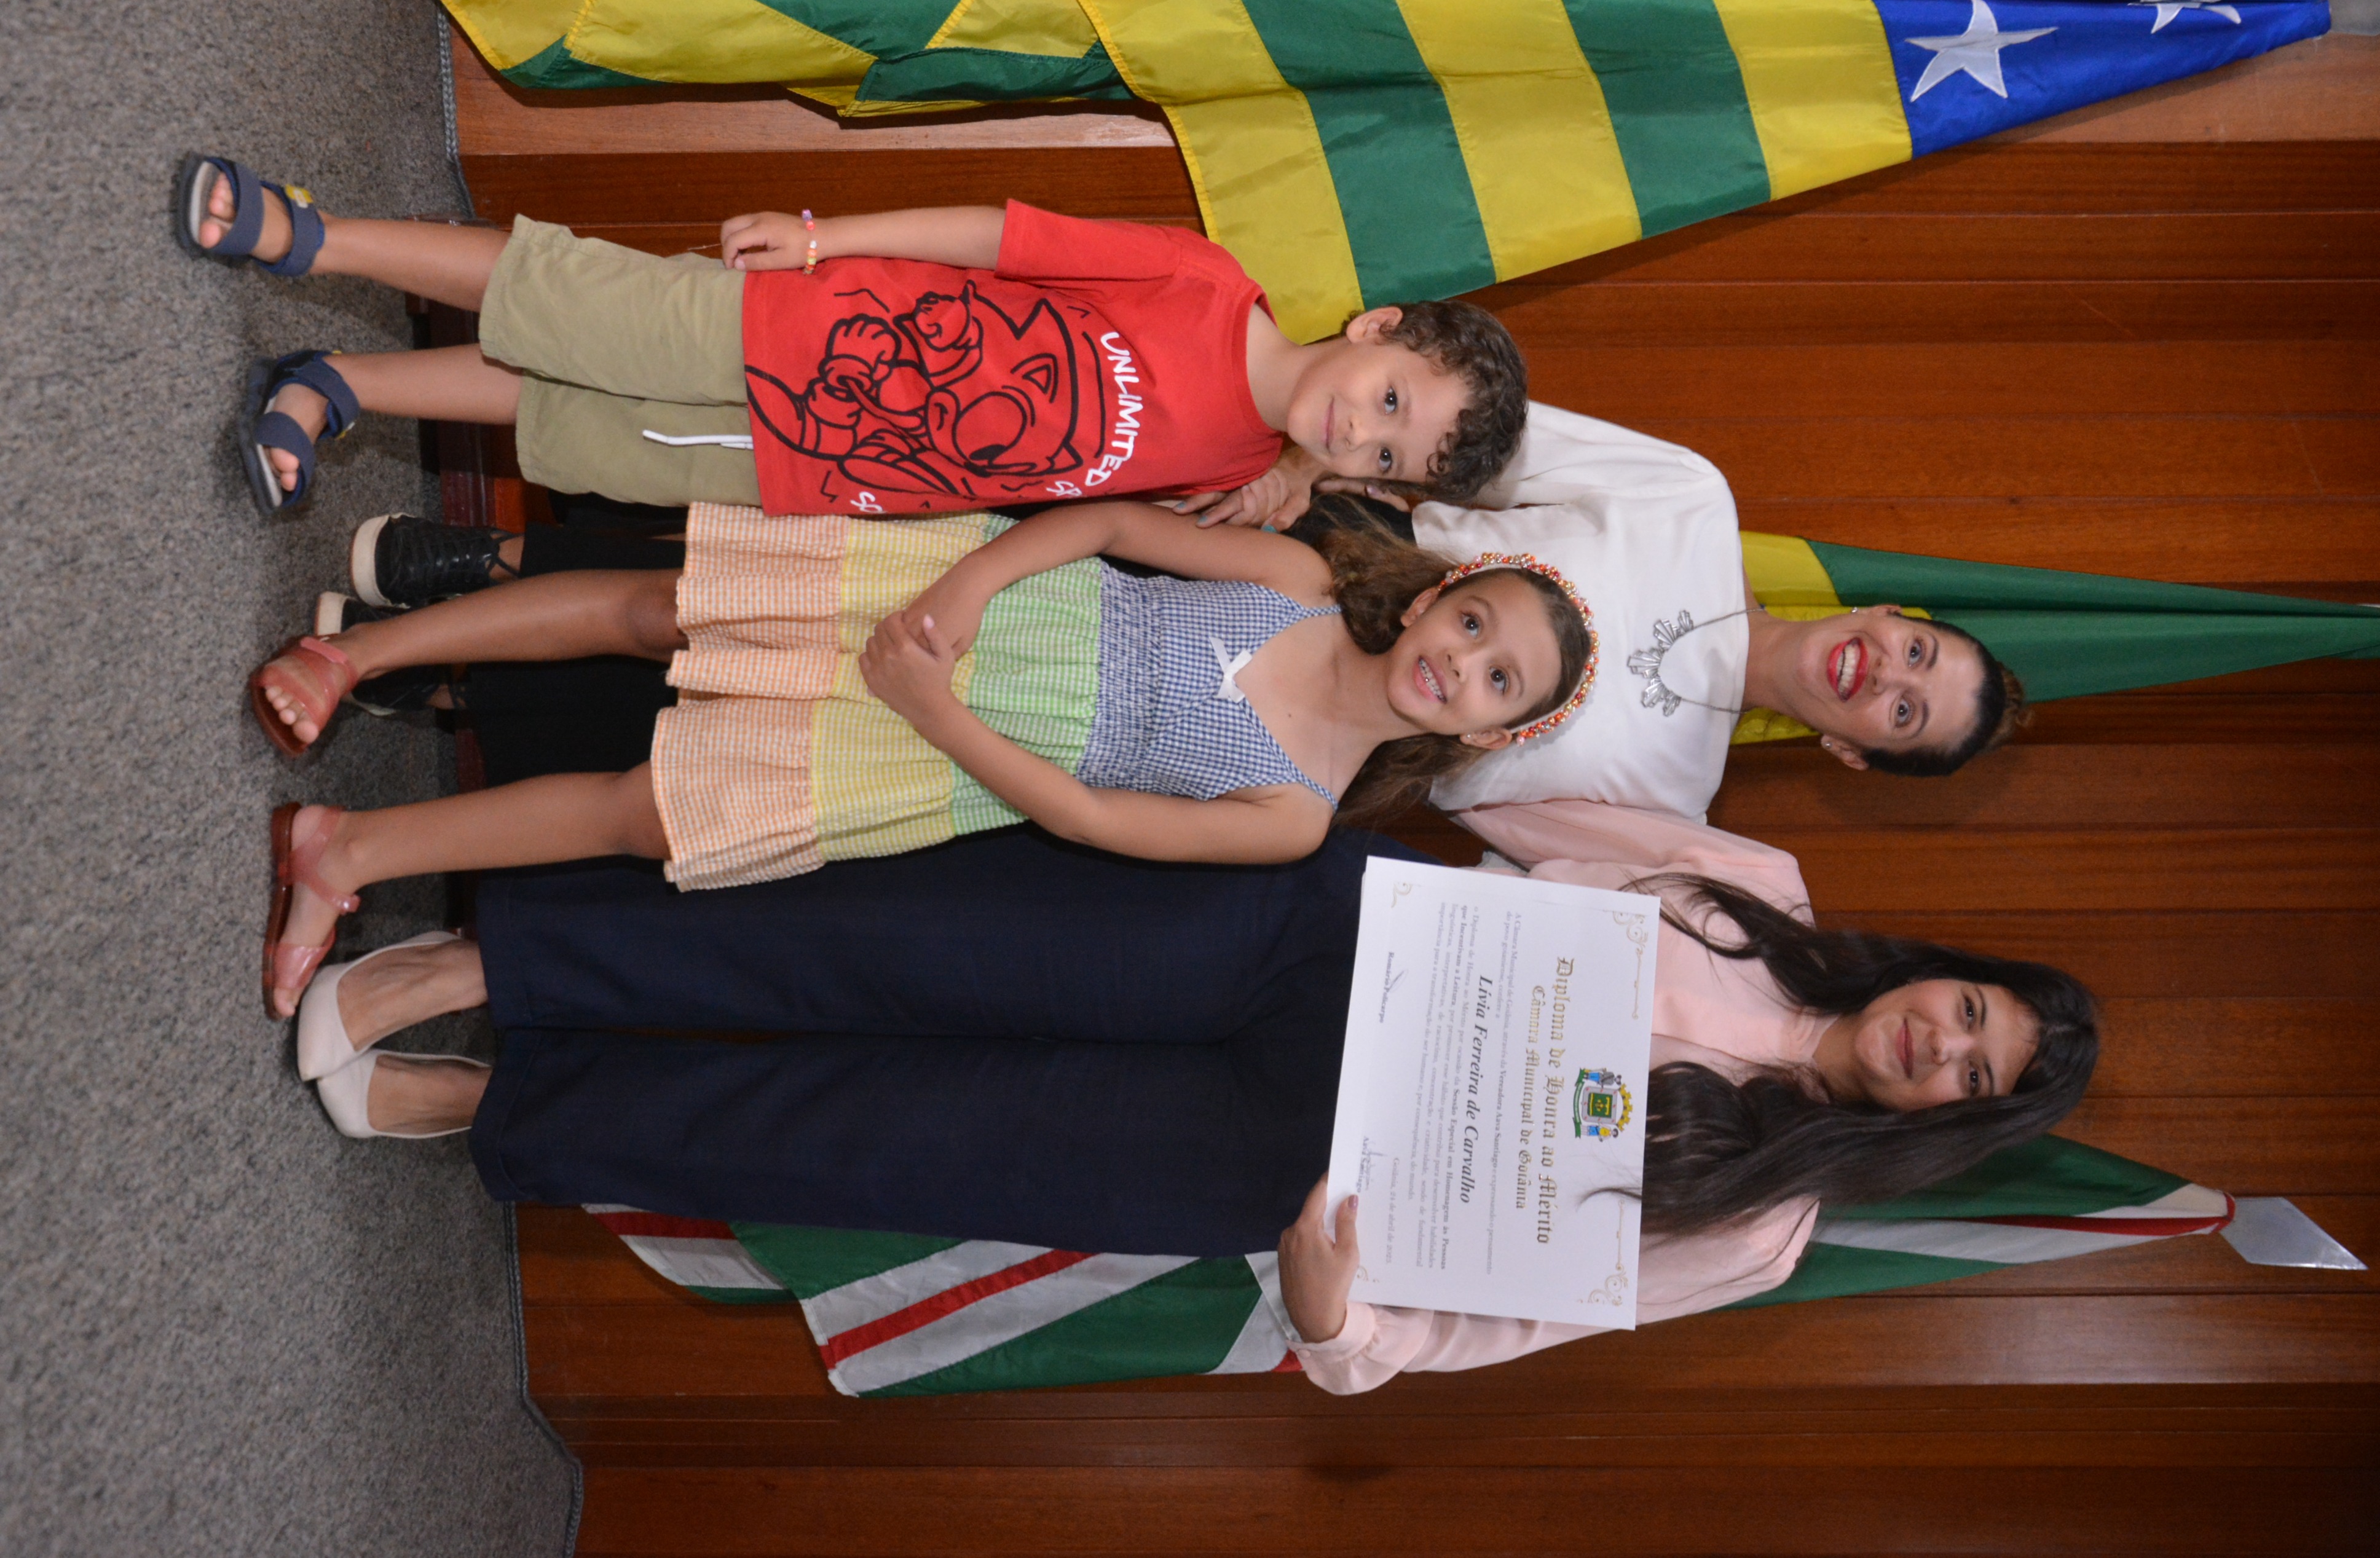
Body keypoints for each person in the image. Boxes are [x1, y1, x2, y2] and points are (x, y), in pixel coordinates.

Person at [293, 798, 2095, 1395]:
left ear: (1953, 1121)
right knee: (874, 945)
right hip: (1292, 943)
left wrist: (1338, 1325)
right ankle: (489, 966)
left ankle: (504, 1113)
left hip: (1270, 1163)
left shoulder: (1764, 1230)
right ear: (1942, 971)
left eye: (1974, 1075)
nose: (1942, 1045)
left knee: (870, 1140)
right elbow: (1515, 800)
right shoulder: (1755, 888)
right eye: (1969, 1010)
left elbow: (1497, 1321)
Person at [251, 500, 1598, 1016]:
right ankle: (357, 656)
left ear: (1484, 734)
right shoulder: (1300, 580)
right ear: (1441, 591)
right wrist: (961, 594)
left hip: (955, 757)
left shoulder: (1297, 814)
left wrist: (937, 713)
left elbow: (1094, 822)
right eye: (1476, 623)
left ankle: (348, 848)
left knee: (651, 813)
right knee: (662, 608)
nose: (1462, 661)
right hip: (977, 598)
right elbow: (1111, 528)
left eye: (1498, 682)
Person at [176, 156, 1528, 519]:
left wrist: (1284, 476)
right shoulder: (1206, 282)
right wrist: (827, 238)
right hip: (826, 325)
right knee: (583, 303)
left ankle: (340, 383)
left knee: (582, 417)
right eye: (1391, 399)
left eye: (1389, 458)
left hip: (829, 466)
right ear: (1376, 327)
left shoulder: (1241, 463)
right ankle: (316, 237)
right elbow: (1006, 236)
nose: (1364, 431)